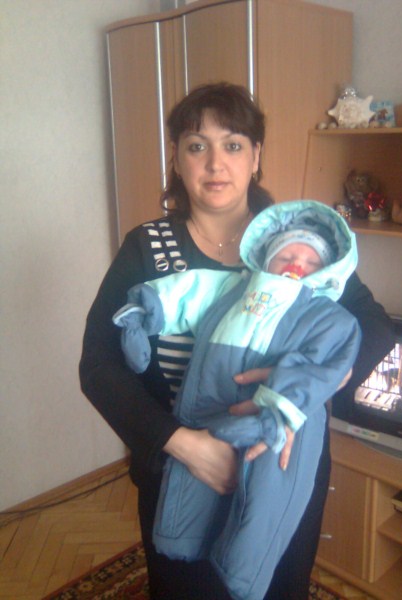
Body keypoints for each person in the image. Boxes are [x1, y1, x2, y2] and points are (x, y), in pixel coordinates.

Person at [79, 82, 395, 599]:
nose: (215, 164)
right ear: (176, 158)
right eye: (196, 145)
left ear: (255, 157)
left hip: (279, 473)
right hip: (178, 471)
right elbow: (98, 366)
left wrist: (305, 384)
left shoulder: (297, 246)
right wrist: (184, 446)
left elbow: (375, 328)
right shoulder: (147, 248)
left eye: (232, 144)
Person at [112, 199, 361, 600]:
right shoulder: (233, 286)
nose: (297, 265)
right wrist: (143, 312)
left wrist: (282, 404)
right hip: (209, 402)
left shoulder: (325, 313)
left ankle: (244, 574)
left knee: (266, 497)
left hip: (279, 421)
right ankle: (179, 538)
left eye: (311, 262)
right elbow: (187, 293)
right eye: (287, 256)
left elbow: (329, 359)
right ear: (267, 258)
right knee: (189, 484)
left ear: (325, 273)